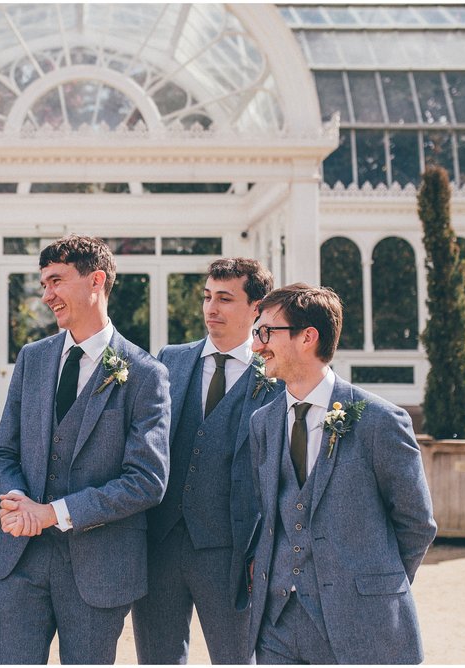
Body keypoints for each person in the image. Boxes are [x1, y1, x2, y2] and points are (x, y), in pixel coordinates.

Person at [0, 234, 171, 664]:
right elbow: (3, 451)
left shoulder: (146, 374)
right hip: (20, 563)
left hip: (99, 570)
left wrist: (54, 513)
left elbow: (147, 480)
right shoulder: (32, 358)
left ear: (96, 281)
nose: (46, 295)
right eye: (44, 284)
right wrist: (17, 500)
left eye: (56, 281)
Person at [245, 283, 437, 664]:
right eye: (256, 333)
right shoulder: (262, 423)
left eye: (266, 332)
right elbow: (269, 514)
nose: (256, 345)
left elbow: (417, 523)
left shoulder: (380, 421)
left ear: (307, 337)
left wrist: (373, 587)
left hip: (360, 627)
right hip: (276, 626)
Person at [132, 258, 282, 664]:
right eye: (207, 297)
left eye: (225, 299)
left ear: (258, 307)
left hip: (232, 554)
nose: (211, 309)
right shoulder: (170, 359)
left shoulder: (276, 374)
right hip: (160, 546)